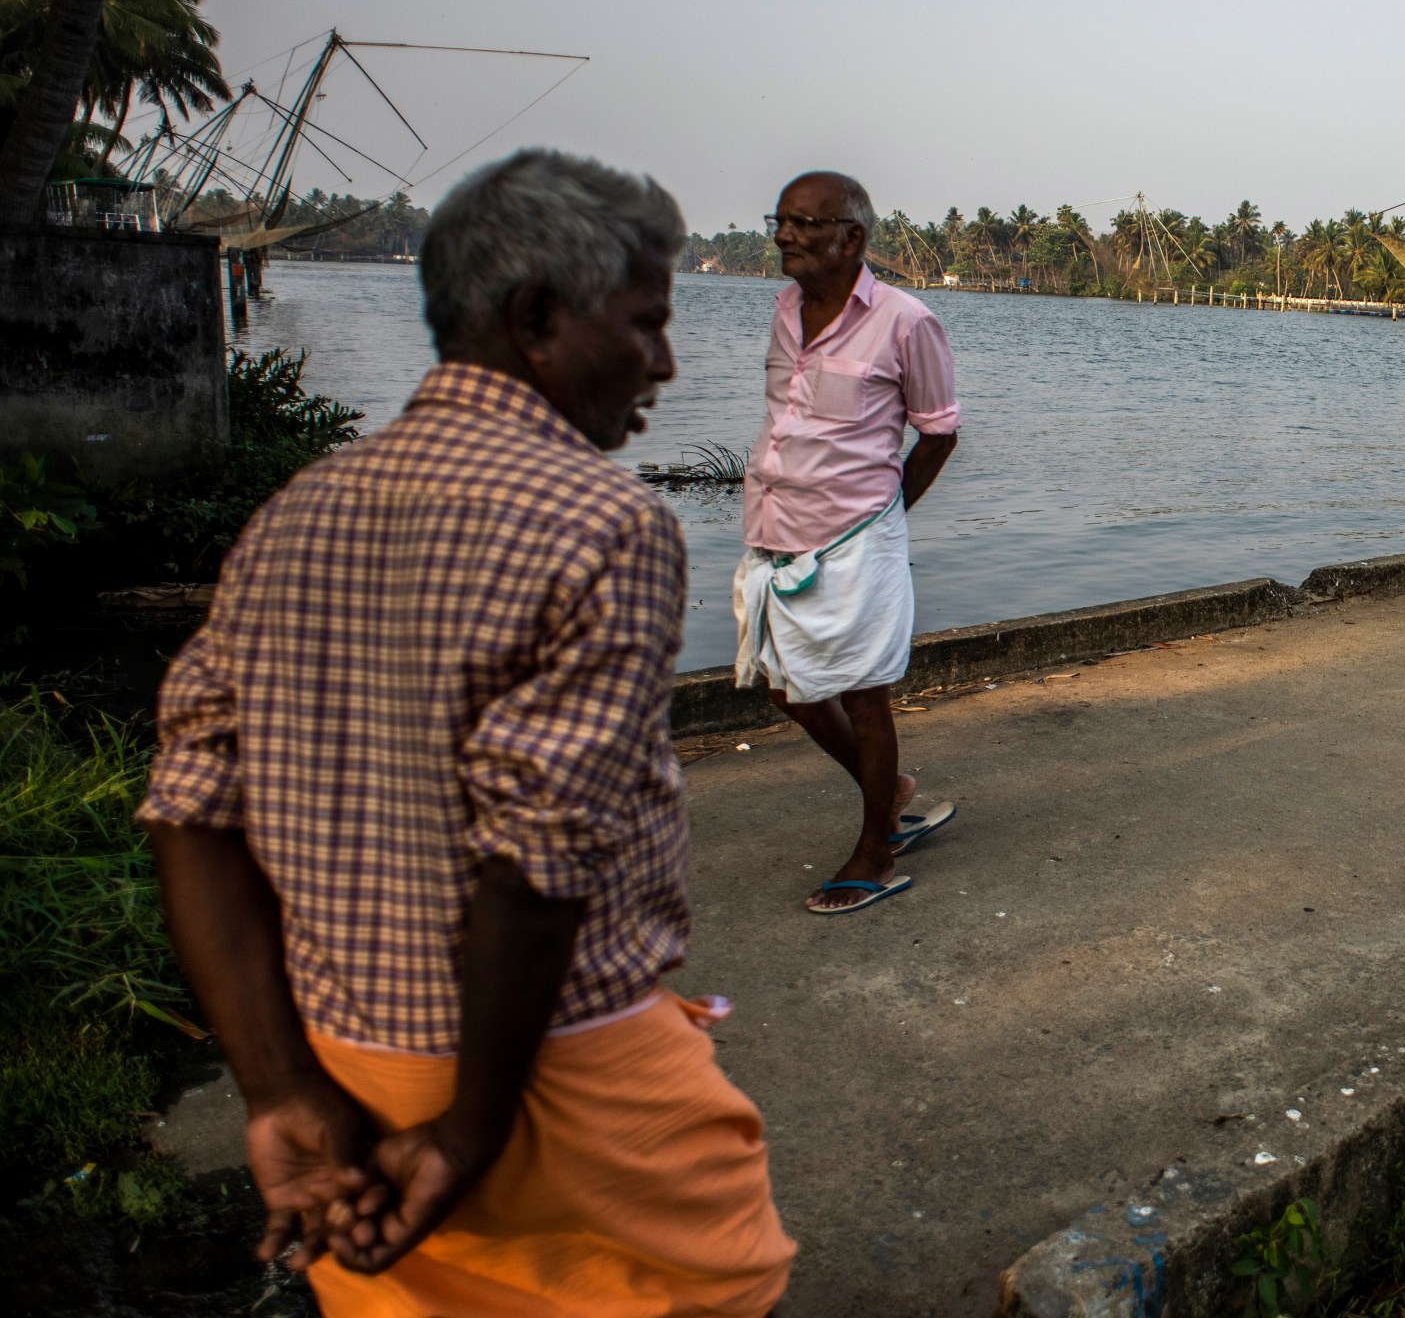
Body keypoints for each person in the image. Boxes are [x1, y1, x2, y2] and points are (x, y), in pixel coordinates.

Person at [138, 150, 796, 1313]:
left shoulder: (300, 509)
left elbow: (192, 804)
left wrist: (279, 1089)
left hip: (346, 1069)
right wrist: (471, 1133)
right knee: (718, 1288)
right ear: (537, 317)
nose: (666, 362)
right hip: (555, 1076)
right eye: (645, 323)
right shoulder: (603, 524)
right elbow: (535, 858)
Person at [735, 170, 961, 915]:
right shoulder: (783, 308)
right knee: (786, 685)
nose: (784, 236)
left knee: (866, 698)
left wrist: (886, 510)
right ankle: (889, 792)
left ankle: (877, 848)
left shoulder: (906, 321)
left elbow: (938, 430)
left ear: (851, 237)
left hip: (856, 538)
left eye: (804, 223)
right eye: (782, 220)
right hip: (774, 531)